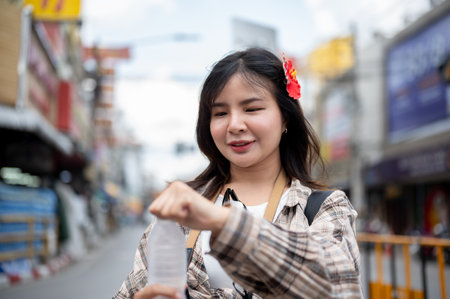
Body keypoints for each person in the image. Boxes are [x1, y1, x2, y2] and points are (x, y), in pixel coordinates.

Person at [113, 48, 362, 299]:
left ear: (285, 117)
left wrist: (222, 222)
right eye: (220, 113)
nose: (234, 125)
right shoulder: (179, 213)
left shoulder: (324, 208)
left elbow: (339, 286)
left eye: (252, 109)